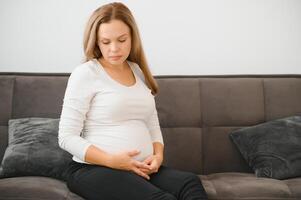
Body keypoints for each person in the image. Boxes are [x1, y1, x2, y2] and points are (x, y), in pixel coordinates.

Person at [58, 2, 208, 200]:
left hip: (140, 168)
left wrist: (158, 156)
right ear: (96, 42)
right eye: (105, 42)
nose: (114, 49)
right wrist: (112, 161)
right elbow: (66, 137)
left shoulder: (137, 70)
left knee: (190, 182)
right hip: (94, 169)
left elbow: (151, 122)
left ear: (132, 37)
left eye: (122, 40)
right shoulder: (86, 73)